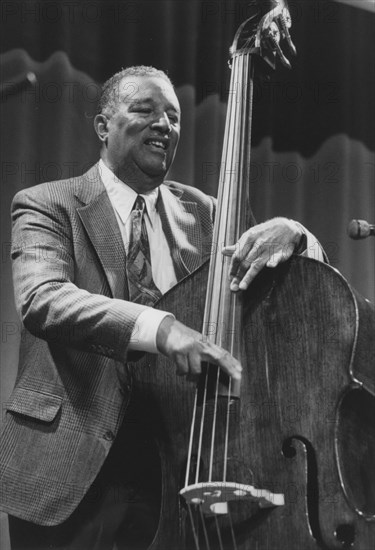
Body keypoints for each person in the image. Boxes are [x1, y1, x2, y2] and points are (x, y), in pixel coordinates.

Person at [0, 66, 325, 549]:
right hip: (69, 466)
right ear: (102, 126)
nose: (165, 125)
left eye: (173, 116)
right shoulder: (48, 204)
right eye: (146, 110)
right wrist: (163, 327)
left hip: (178, 465)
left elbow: (284, 289)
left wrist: (298, 237)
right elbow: (44, 300)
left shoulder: (210, 215)